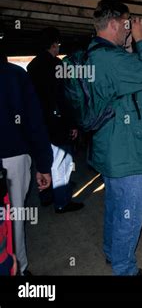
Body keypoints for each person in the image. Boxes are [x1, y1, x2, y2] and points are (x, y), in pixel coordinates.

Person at [88, 0, 142, 275]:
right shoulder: (110, 58)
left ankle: (112, 253)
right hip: (126, 153)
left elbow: (125, 84)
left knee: (115, 206)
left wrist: (131, 47)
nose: (129, 28)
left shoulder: (96, 54)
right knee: (129, 215)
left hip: (110, 148)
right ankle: (125, 270)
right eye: (126, 24)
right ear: (113, 23)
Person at [0, 42, 53, 275]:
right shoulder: (14, 74)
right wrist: (43, 164)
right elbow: (33, 122)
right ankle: (17, 269)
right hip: (13, 156)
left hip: (13, 154)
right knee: (13, 219)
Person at [27, 27, 83, 214]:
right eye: (58, 44)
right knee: (62, 162)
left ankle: (46, 195)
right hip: (57, 121)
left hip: (39, 121)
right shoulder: (58, 66)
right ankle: (62, 201)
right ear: (53, 44)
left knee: (45, 159)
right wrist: (72, 123)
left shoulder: (32, 66)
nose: (59, 47)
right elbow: (65, 97)